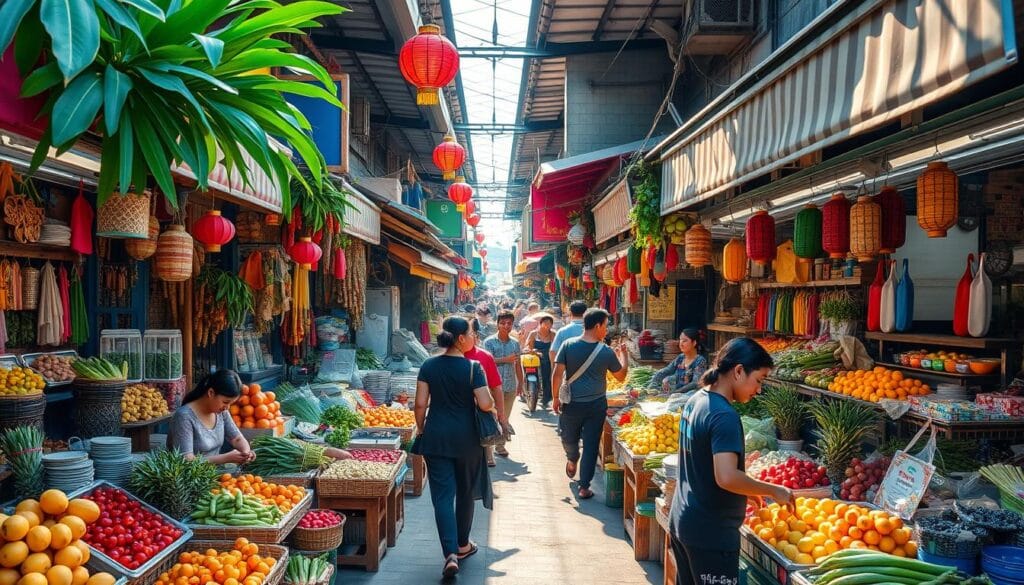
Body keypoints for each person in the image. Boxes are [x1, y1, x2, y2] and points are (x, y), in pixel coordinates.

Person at [670, 337, 795, 585]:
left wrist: (747, 490)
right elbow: (726, 477)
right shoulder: (723, 415)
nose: (758, 390)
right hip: (711, 534)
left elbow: (703, 462)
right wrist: (773, 490)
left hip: (684, 521)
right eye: (758, 380)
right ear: (738, 371)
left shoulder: (697, 400)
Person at [414, 316, 496, 578]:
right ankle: (462, 545)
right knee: (465, 491)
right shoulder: (473, 368)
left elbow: (420, 404)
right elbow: (485, 404)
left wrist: (423, 429)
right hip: (467, 439)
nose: (474, 338)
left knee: (441, 497)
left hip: (436, 436)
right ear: (460, 338)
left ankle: (449, 553)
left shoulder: (428, 365)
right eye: (472, 333)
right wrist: (491, 403)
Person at [552, 308, 629, 499]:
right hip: (595, 405)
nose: (607, 329)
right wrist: (624, 356)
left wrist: (555, 397)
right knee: (590, 445)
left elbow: (557, 373)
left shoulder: (568, 345)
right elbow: (621, 377)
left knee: (571, 438)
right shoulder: (606, 351)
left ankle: (576, 468)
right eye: (606, 324)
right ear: (597, 326)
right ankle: (580, 478)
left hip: (573, 404)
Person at [169, 370, 255, 465]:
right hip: (190, 477)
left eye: (231, 403)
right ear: (211, 393)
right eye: (226, 402)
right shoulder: (184, 417)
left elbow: (237, 438)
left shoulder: (221, 412)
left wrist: (246, 452)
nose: (227, 407)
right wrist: (226, 458)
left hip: (216, 474)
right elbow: (185, 460)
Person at [466, 318, 507, 467]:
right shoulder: (444, 359)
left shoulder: (484, 356)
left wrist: (501, 413)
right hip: (456, 413)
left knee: (484, 431)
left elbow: (496, 387)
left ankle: (488, 455)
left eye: (468, 332)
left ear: (475, 335)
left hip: (481, 407)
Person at [483, 310, 523, 457]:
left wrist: (521, 383)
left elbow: (518, 364)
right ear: (497, 324)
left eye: (509, 323)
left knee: (504, 417)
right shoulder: (489, 342)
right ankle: (488, 448)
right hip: (492, 387)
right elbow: (487, 362)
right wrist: (506, 359)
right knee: (491, 416)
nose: (506, 326)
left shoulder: (515, 343)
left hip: (510, 385)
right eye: (503, 323)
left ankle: (500, 446)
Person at [649, 328, 710, 395]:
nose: (681, 343)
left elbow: (695, 383)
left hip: (690, 395)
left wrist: (676, 392)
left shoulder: (700, 361)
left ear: (694, 343)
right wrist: (653, 385)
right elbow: (667, 370)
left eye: (684, 341)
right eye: (680, 340)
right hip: (677, 394)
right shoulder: (680, 358)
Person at [524, 313, 555, 409]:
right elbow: (527, 345)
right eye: (545, 323)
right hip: (534, 356)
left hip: (547, 357)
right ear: (540, 323)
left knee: (547, 376)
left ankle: (547, 397)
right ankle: (526, 388)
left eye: (549, 323)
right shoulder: (533, 333)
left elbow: (554, 347)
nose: (547, 325)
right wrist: (532, 350)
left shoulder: (553, 334)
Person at [550, 300, 587, 364]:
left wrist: (554, 370)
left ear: (571, 313)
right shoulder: (593, 330)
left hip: (567, 370)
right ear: (585, 313)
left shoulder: (562, 331)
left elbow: (553, 352)